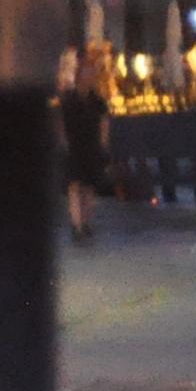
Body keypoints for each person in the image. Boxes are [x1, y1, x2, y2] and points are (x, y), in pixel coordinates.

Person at [56, 44, 113, 243]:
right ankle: (78, 225)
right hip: (74, 145)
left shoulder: (97, 100)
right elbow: (61, 122)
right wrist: (63, 142)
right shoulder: (69, 98)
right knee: (74, 186)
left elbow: (104, 121)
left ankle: (84, 223)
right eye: (87, 74)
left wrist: (103, 144)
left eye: (92, 74)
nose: (90, 78)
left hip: (90, 145)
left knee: (87, 186)